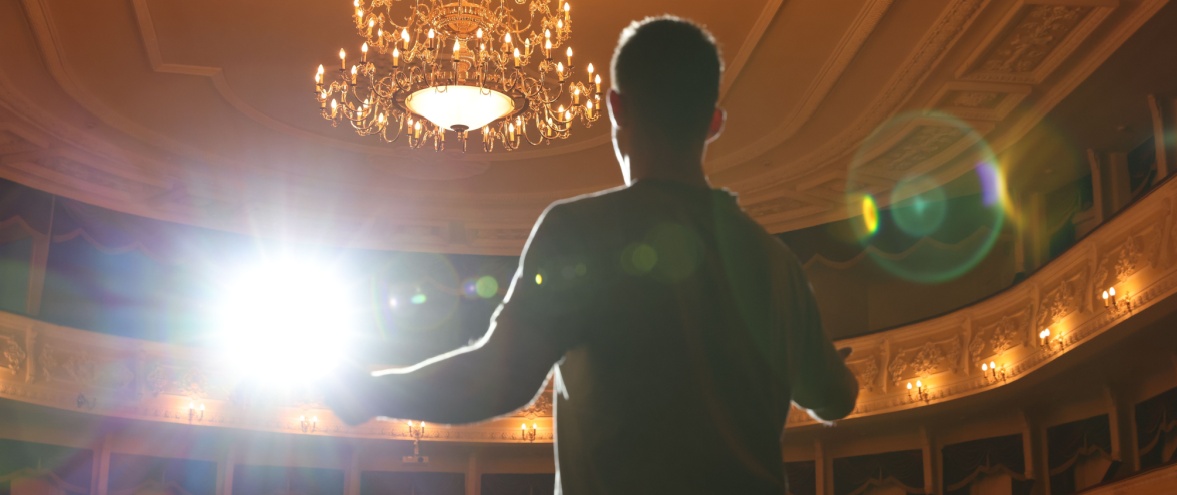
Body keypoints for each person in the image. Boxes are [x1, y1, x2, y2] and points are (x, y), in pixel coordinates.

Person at [326, 16, 858, 494]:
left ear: (615, 107)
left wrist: (367, 391)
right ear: (714, 121)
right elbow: (835, 398)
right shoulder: (777, 264)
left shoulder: (580, 232)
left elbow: (500, 378)